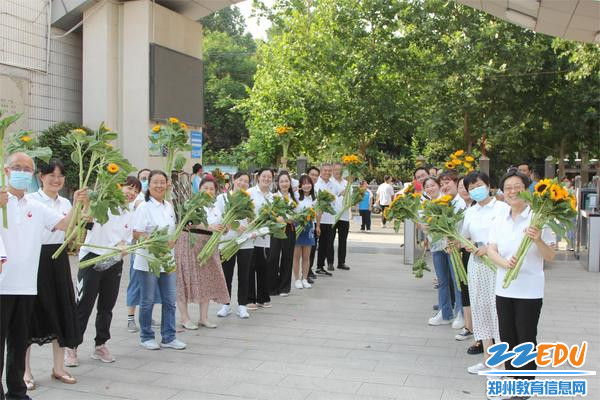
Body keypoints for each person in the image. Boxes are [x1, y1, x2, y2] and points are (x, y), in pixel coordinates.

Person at [0, 152, 87, 400]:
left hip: (26, 285)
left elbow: (65, 226)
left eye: (27, 169)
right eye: (18, 167)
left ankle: (16, 391)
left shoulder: (36, 207)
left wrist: (79, 203)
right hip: (2, 284)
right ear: (6, 171)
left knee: (19, 342)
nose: (22, 173)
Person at [487, 170, 555, 379]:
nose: (512, 191)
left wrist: (537, 239)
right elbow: (491, 250)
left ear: (527, 191)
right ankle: (511, 378)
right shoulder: (499, 218)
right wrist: (506, 264)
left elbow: (550, 256)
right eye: (508, 188)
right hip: (503, 288)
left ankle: (524, 383)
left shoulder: (539, 218)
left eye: (518, 187)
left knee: (525, 338)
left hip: (529, 291)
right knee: (507, 338)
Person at [66, 177, 140, 367]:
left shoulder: (131, 214)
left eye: (136, 191)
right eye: (129, 188)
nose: (131, 193)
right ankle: (72, 346)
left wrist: (124, 247)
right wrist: (85, 209)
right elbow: (86, 224)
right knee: (83, 305)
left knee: (106, 307)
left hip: (114, 262)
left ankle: (101, 344)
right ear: (119, 187)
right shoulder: (102, 204)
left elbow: (127, 239)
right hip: (91, 258)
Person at [24, 160, 80, 388]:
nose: (56, 180)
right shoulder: (32, 201)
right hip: (36, 260)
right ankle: (24, 371)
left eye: (60, 175)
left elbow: (72, 231)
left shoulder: (65, 202)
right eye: (51, 175)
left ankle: (59, 368)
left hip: (60, 262)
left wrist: (79, 210)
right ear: (40, 176)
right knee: (29, 316)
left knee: (62, 312)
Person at [461, 172, 511, 375]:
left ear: (488, 185)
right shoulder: (470, 211)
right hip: (476, 264)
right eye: (471, 187)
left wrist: (489, 249)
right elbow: (465, 237)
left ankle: (501, 363)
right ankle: (487, 359)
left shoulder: (502, 208)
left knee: (496, 310)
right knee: (480, 308)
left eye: (478, 185)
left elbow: (507, 236)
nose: (475, 190)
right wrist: (466, 245)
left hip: (495, 264)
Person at [132, 170, 186, 351]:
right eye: (155, 182)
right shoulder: (144, 207)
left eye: (162, 182)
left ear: (167, 184)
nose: (159, 185)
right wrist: (158, 240)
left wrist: (173, 240)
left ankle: (169, 336)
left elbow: (172, 230)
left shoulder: (168, 206)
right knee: (147, 300)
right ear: (148, 184)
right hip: (148, 260)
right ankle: (146, 335)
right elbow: (136, 233)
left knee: (170, 299)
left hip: (167, 260)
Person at [175, 177, 230, 329]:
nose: (208, 191)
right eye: (205, 188)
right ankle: (184, 318)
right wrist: (209, 227)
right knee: (185, 279)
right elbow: (187, 224)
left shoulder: (215, 207)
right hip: (189, 243)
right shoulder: (191, 203)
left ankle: (203, 318)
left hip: (208, 245)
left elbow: (218, 227)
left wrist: (224, 229)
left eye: (211, 189)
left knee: (206, 280)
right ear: (199, 189)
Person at [429, 170, 465, 328]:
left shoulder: (460, 203)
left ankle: (461, 314)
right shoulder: (441, 202)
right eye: (442, 184)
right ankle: (445, 313)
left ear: (456, 182)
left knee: (457, 281)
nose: (444, 186)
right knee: (443, 281)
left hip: (455, 248)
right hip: (439, 246)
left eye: (447, 182)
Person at [126, 168, 161, 333]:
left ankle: (147, 316)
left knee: (151, 285)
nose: (146, 181)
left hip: (153, 248)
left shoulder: (158, 201)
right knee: (135, 282)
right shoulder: (139, 199)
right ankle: (130, 318)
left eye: (149, 178)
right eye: (144, 178)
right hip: (137, 246)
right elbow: (140, 206)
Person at [216, 172, 253, 319]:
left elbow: (252, 219)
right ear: (233, 180)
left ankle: (242, 306)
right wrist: (234, 226)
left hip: (246, 242)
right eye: (240, 180)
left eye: (246, 181)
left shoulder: (249, 199)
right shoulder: (222, 198)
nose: (243, 183)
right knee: (226, 274)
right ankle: (225, 304)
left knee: (244, 274)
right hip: (227, 241)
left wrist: (253, 224)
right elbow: (218, 218)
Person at [247, 168, 275, 309]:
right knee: (250, 268)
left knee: (263, 267)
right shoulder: (250, 192)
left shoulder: (273, 197)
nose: (266, 179)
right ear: (258, 177)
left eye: (269, 177)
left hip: (264, 237)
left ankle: (263, 298)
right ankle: (249, 299)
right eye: (264, 176)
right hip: (250, 236)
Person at [454, 177, 475, 342]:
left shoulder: (478, 208)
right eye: (461, 186)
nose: (464, 189)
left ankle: (479, 330)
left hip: (479, 254)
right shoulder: (459, 207)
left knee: (475, 290)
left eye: (467, 187)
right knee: (465, 287)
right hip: (463, 252)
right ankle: (468, 326)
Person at [270, 171, 297, 296]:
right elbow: (270, 214)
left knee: (287, 257)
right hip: (275, 230)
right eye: (282, 181)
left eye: (286, 181)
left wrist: (293, 218)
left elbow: (296, 216)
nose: (284, 184)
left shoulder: (294, 198)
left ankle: (284, 287)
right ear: (277, 183)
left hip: (289, 230)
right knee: (273, 257)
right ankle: (272, 287)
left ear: (290, 183)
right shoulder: (273, 197)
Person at [314, 163, 341, 275]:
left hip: (329, 219)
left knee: (325, 245)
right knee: (313, 246)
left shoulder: (333, 184)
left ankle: (320, 267)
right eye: (325, 170)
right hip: (316, 219)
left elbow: (341, 192)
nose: (327, 173)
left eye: (329, 171)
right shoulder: (316, 183)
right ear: (321, 171)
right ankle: (309, 270)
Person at [293, 175, 316, 289]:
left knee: (307, 256)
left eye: (309, 183)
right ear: (300, 186)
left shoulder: (314, 199)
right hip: (297, 227)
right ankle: (297, 279)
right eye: (304, 183)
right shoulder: (296, 197)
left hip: (309, 228)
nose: (307, 185)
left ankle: (305, 278)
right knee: (296, 256)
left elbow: (317, 213)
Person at [332, 163, 350, 271]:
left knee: (343, 241)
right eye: (335, 169)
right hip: (332, 216)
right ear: (332, 170)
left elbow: (350, 197)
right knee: (330, 240)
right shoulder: (330, 182)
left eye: (339, 170)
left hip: (344, 216)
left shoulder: (347, 183)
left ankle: (341, 262)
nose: (337, 171)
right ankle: (329, 262)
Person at [306, 166, 320, 283]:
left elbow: (318, 210)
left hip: (312, 224)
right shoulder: (301, 189)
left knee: (311, 249)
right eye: (312, 174)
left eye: (316, 175)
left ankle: (308, 271)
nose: (313, 177)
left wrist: (318, 226)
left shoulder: (316, 191)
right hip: (301, 224)